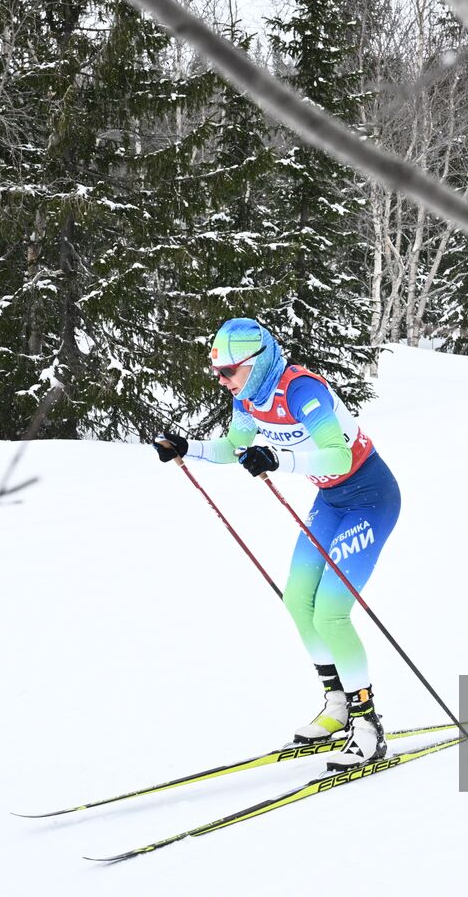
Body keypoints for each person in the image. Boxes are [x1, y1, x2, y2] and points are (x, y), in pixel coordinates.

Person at [153, 318, 401, 769]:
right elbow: (234, 447)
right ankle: (338, 705)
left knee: (331, 611)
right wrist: (187, 447)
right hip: (331, 501)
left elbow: (339, 455)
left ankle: (368, 727)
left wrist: (279, 460)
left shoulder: (302, 391)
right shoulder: (249, 398)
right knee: (297, 598)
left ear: (258, 361)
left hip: (371, 500)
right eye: (218, 371)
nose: (222, 379)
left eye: (229, 370)